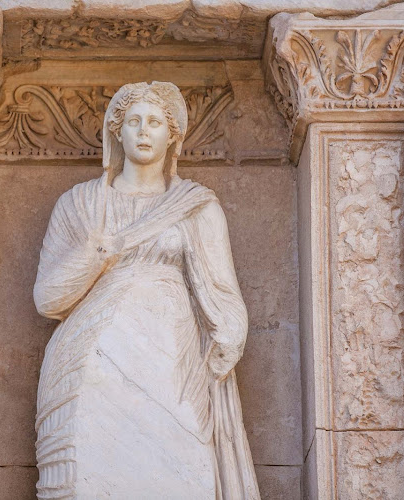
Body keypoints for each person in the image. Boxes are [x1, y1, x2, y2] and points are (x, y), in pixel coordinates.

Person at [33, 81, 260, 499]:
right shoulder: (80, 204)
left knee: (181, 470)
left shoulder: (197, 206)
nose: (142, 131)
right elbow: (48, 299)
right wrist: (101, 251)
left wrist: (228, 340)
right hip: (89, 362)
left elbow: (223, 292)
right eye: (133, 122)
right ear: (116, 132)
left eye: (154, 122)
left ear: (172, 134)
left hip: (174, 363)